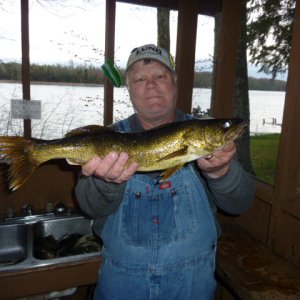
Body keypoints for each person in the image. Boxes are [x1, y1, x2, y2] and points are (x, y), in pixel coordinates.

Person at [75, 44, 255, 300]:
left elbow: (241, 203)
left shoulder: (204, 140)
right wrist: (107, 183)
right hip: (122, 286)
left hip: (192, 285)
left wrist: (221, 173)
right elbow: (89, 207)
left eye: (159, 76)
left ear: (174, 81)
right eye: (139, 79)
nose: (151, 84)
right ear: (129, 89)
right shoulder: (106, 139)